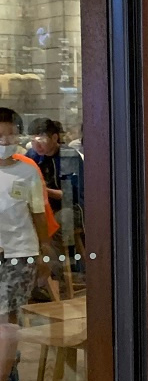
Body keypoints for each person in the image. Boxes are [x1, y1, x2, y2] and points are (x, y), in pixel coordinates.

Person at [0, 108, 52, 381]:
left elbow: (38, 213)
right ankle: (9, 362)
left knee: (6, 320)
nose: (5, 141)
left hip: (20, 254)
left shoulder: (28, 171)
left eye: (10, 134)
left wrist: (44, 252)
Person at [27, 116, 85, 292]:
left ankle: (55, 279)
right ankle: (31, 281)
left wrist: (43, 190)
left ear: (54, 137)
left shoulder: (68, 156)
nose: (37, 145)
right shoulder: (31, 156)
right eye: (33, 140)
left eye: (42, 140)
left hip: (73, 208)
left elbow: (69, 196)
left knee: (54, 225)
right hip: (44, 207)